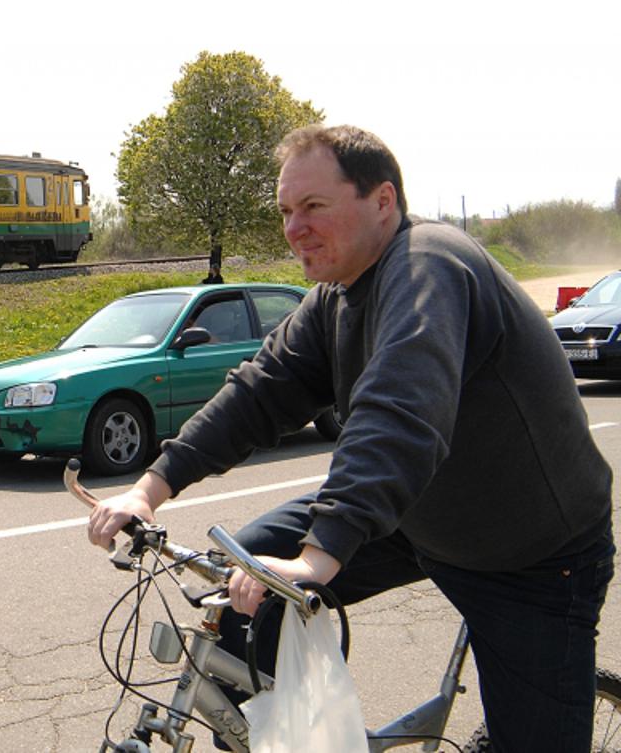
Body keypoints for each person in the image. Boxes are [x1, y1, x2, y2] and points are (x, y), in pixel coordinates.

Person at [87, 124, 614, 752]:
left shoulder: (430, 266)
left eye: (313, 207)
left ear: (382, 201)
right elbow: (261, 390)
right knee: (242, 576)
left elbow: (398, 412)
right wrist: (150, 488)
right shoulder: (336, 296)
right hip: (416, 517)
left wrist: (318, 557)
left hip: (529, 554)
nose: (294, 228)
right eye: (285, 210)